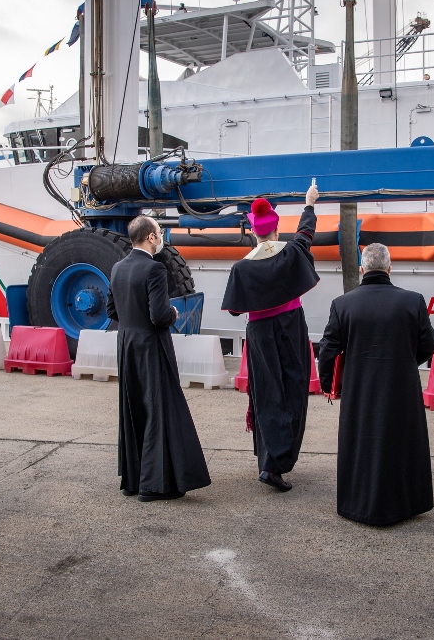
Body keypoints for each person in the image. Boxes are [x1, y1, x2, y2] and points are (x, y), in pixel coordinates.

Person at [318, 243, 434, 526]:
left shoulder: (342, 304)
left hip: (359, 389)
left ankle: (358, 504)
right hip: (401, 389)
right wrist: (406, 364)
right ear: (389, 268)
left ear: (362, 270)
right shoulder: (413, 301)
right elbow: (428, 345)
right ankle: (405, 504)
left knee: (362, 443)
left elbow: (327, 350)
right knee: (401, 444)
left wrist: (329, 385)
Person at [221, 183, 320, 492]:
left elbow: (236, 311)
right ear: (276, 230)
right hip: (291, 327)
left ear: (253, 232)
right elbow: (305, 236)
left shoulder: (242, 268)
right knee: (293, 390)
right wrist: (308, 205)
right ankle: (276, 463)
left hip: (260, 333)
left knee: (266, 393)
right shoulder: (290, 253)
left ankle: (267, 460)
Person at [106, 216, 211, 502]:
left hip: (127, 344)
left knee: (134, 408)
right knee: (159, 408)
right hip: (151, 345)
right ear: (151, 237)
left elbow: (111, 310)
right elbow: (159, 316)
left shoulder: (117, 268)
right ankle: (154, 485)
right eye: (159, 231)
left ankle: (133, 479)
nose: (160, 235)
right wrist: (173, 314)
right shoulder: (154, 269)